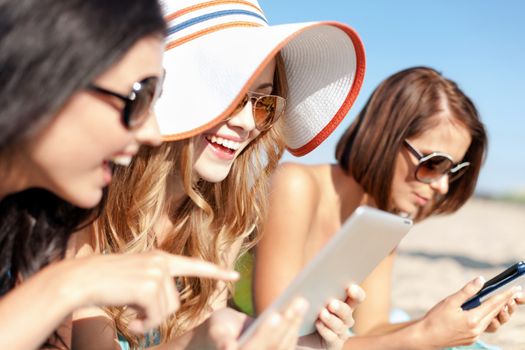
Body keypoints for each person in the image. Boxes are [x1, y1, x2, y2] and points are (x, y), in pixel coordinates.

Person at [72, 0, 367, 349]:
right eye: (227, 96)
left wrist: (306, 343)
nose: (246, 123)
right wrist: (204, 336)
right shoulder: (89, 204)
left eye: (263, 103)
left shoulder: (221, 217)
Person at [0, 1, 239, 349]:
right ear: (47, 76)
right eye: (138, 97)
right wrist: (68, 284)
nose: (152, 133)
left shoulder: (37, 222)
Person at [253, 66, 525, 349]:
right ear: (384, 137)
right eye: (434, 163)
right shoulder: (296, 185)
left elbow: (374, 328)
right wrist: (425, 334)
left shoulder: (381, 222)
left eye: (453, 170)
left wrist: (452, 319)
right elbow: (271, 339)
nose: (442, 186)